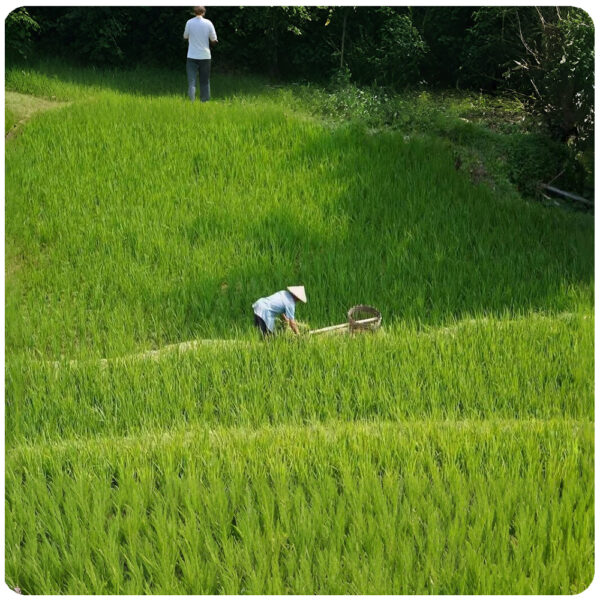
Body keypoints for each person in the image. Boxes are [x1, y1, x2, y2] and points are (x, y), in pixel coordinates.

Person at [183, 6, 218, 102]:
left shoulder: (189, 22)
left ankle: (191, 102)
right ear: (204, 12)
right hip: (205, 56)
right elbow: (214, 40)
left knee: (192, 82)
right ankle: (205, 102)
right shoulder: (208, 23)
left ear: (194, 12)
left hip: (191, 56)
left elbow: (185, 37)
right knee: (205, 81)